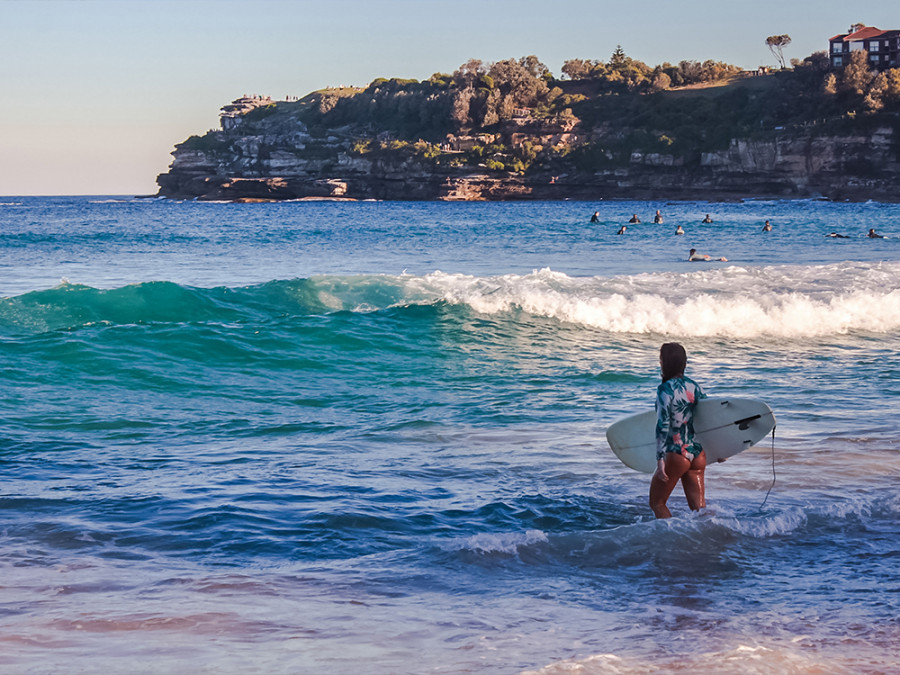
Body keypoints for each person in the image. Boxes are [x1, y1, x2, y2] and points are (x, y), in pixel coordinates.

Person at [649, 342, 710, 519]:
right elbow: (710, 417)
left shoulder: (664, 390)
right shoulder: (694, 386)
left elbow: (662, 425)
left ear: (664, 363)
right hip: (697, 453)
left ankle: (671, 541)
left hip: (676, 454)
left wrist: (660, 461)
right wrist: (722, 449)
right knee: (700, 511)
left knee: (657, 503)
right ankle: (709, 540)